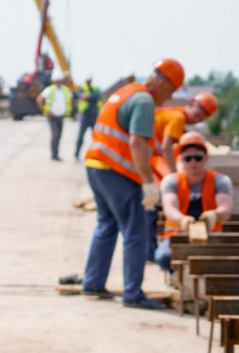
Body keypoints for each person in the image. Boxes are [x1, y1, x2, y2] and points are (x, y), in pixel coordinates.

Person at [80, 58, 184, 309]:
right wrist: (149, 183)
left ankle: (93, 282)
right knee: (135, 232)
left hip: (96, 166)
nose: (167, 99)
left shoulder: (126, 92)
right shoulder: (144, 100)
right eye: (169, 92)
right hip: (117, 172)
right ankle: (133, 294)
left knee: (107, 224)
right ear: (161, 82)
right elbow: (137, 142)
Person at [145, 92, 219, 260]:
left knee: (152, 204)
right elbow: (166, 147)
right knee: (152, 205)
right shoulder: (178, 118)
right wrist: (174, 175)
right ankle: (149, 251)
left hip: (150, 160)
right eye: (198, 114)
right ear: (192, 103)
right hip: (151, 161)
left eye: (202, 118)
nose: (197, 119)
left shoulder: (174, 114)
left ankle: (149, 250)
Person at [154, 131, 234, 272]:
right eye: (188, 158)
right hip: (178, 235)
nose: (193, 162)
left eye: (198, 157)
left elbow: (225, 207)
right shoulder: (172, 181)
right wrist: (183, 220)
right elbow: (170, 208)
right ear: (181, 158)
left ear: (205, 158)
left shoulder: (219, 180)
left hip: (212, 236)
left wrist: (215, 215)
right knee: (164, 258)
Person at [36, 72, 72, 161]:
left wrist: (67, 111)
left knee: (59, 135)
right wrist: (45, 111)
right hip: (52, 116)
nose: (58, 82)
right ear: (54, 81)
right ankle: (54, 155)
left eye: (59, 81)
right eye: (57, 81)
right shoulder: (49, 90)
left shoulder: (66, 90)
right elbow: (39, 100)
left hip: (61, 116)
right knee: (55, 134)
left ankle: (56, 154)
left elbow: (70, 100)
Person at [74, 74, 102, 161]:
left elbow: (98, 96)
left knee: (96, 137)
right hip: (85, 115)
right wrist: (91, 96)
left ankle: (96, 155)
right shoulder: (81, 88)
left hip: (94, 115)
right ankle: (76, 154)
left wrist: (89, 96)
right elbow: (80, 95)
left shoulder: (96, 88)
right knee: (80, 136)